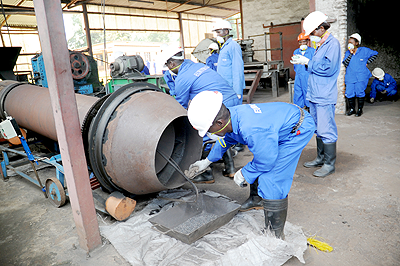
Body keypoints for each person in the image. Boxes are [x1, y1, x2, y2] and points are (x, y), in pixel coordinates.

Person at [186, 91, 315, 239]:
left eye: (208, 130)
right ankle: (258, 199)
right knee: (261, 160)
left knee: (272, 179)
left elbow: (266, 160)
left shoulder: (253, 129)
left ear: (220, 123)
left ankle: (275, 236)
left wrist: (244, 173)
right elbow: (225, 140)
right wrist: (207, 161)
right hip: (279, 120)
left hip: (297, 129)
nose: (208, 133)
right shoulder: (231, 116)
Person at [162, 46, 240, 183]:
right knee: (224, 134)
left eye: (168, 65)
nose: (169, 69)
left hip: (220, 104)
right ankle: (230, 169)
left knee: (200, 135)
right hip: (231, 99)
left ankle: (206, 173)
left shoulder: (182, 78)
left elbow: (180, 105)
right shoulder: (197, 66)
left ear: (172, 64)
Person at [291, 11, 341, 178]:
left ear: (321, 29)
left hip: (324, 95)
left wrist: (308, 62)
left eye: (312, 33)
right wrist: (304, 63)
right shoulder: (321, 44)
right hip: (314, 94)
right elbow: (316, 67)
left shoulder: (332, 44)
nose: (311, 36)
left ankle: (329, 164)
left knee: (327, 129)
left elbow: (328, 69)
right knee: (318, 128)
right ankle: (320, 157)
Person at [213, 20, 245, 153]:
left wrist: (238, 91)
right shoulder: (224, 47)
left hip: (233, 90)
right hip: (225, 89)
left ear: (226, 31)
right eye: (216, 32)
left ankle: (240, 142)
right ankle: (233, 140)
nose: (217, 35)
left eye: (218, 32)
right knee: (228, 116)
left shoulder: (233, 46)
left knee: (235, 116)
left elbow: (238, 69)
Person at [342, 33, 378, 117]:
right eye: (349, 42)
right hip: (350, 76)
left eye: (351, 42)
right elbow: (345, 63)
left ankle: (359, 110)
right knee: (349, 92)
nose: (349, 44)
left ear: (357, 43)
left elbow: (375, 53)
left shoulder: (364, 51)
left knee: (359, 92)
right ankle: (352, 109)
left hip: (361, 76)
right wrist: (351, 53)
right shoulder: (348, 53)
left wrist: (368, 62)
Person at [293, 33, 315, 110]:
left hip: (307, 75)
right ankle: (300, 109)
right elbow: (295, 65)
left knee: (307, 91)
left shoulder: (313, 51)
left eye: (304, 41)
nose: (302, 44)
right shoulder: (296, 52)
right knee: (298, 92)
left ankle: (309, 109)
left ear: (307, 41)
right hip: (298, 75)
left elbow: (314, 64)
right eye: (300, 42)